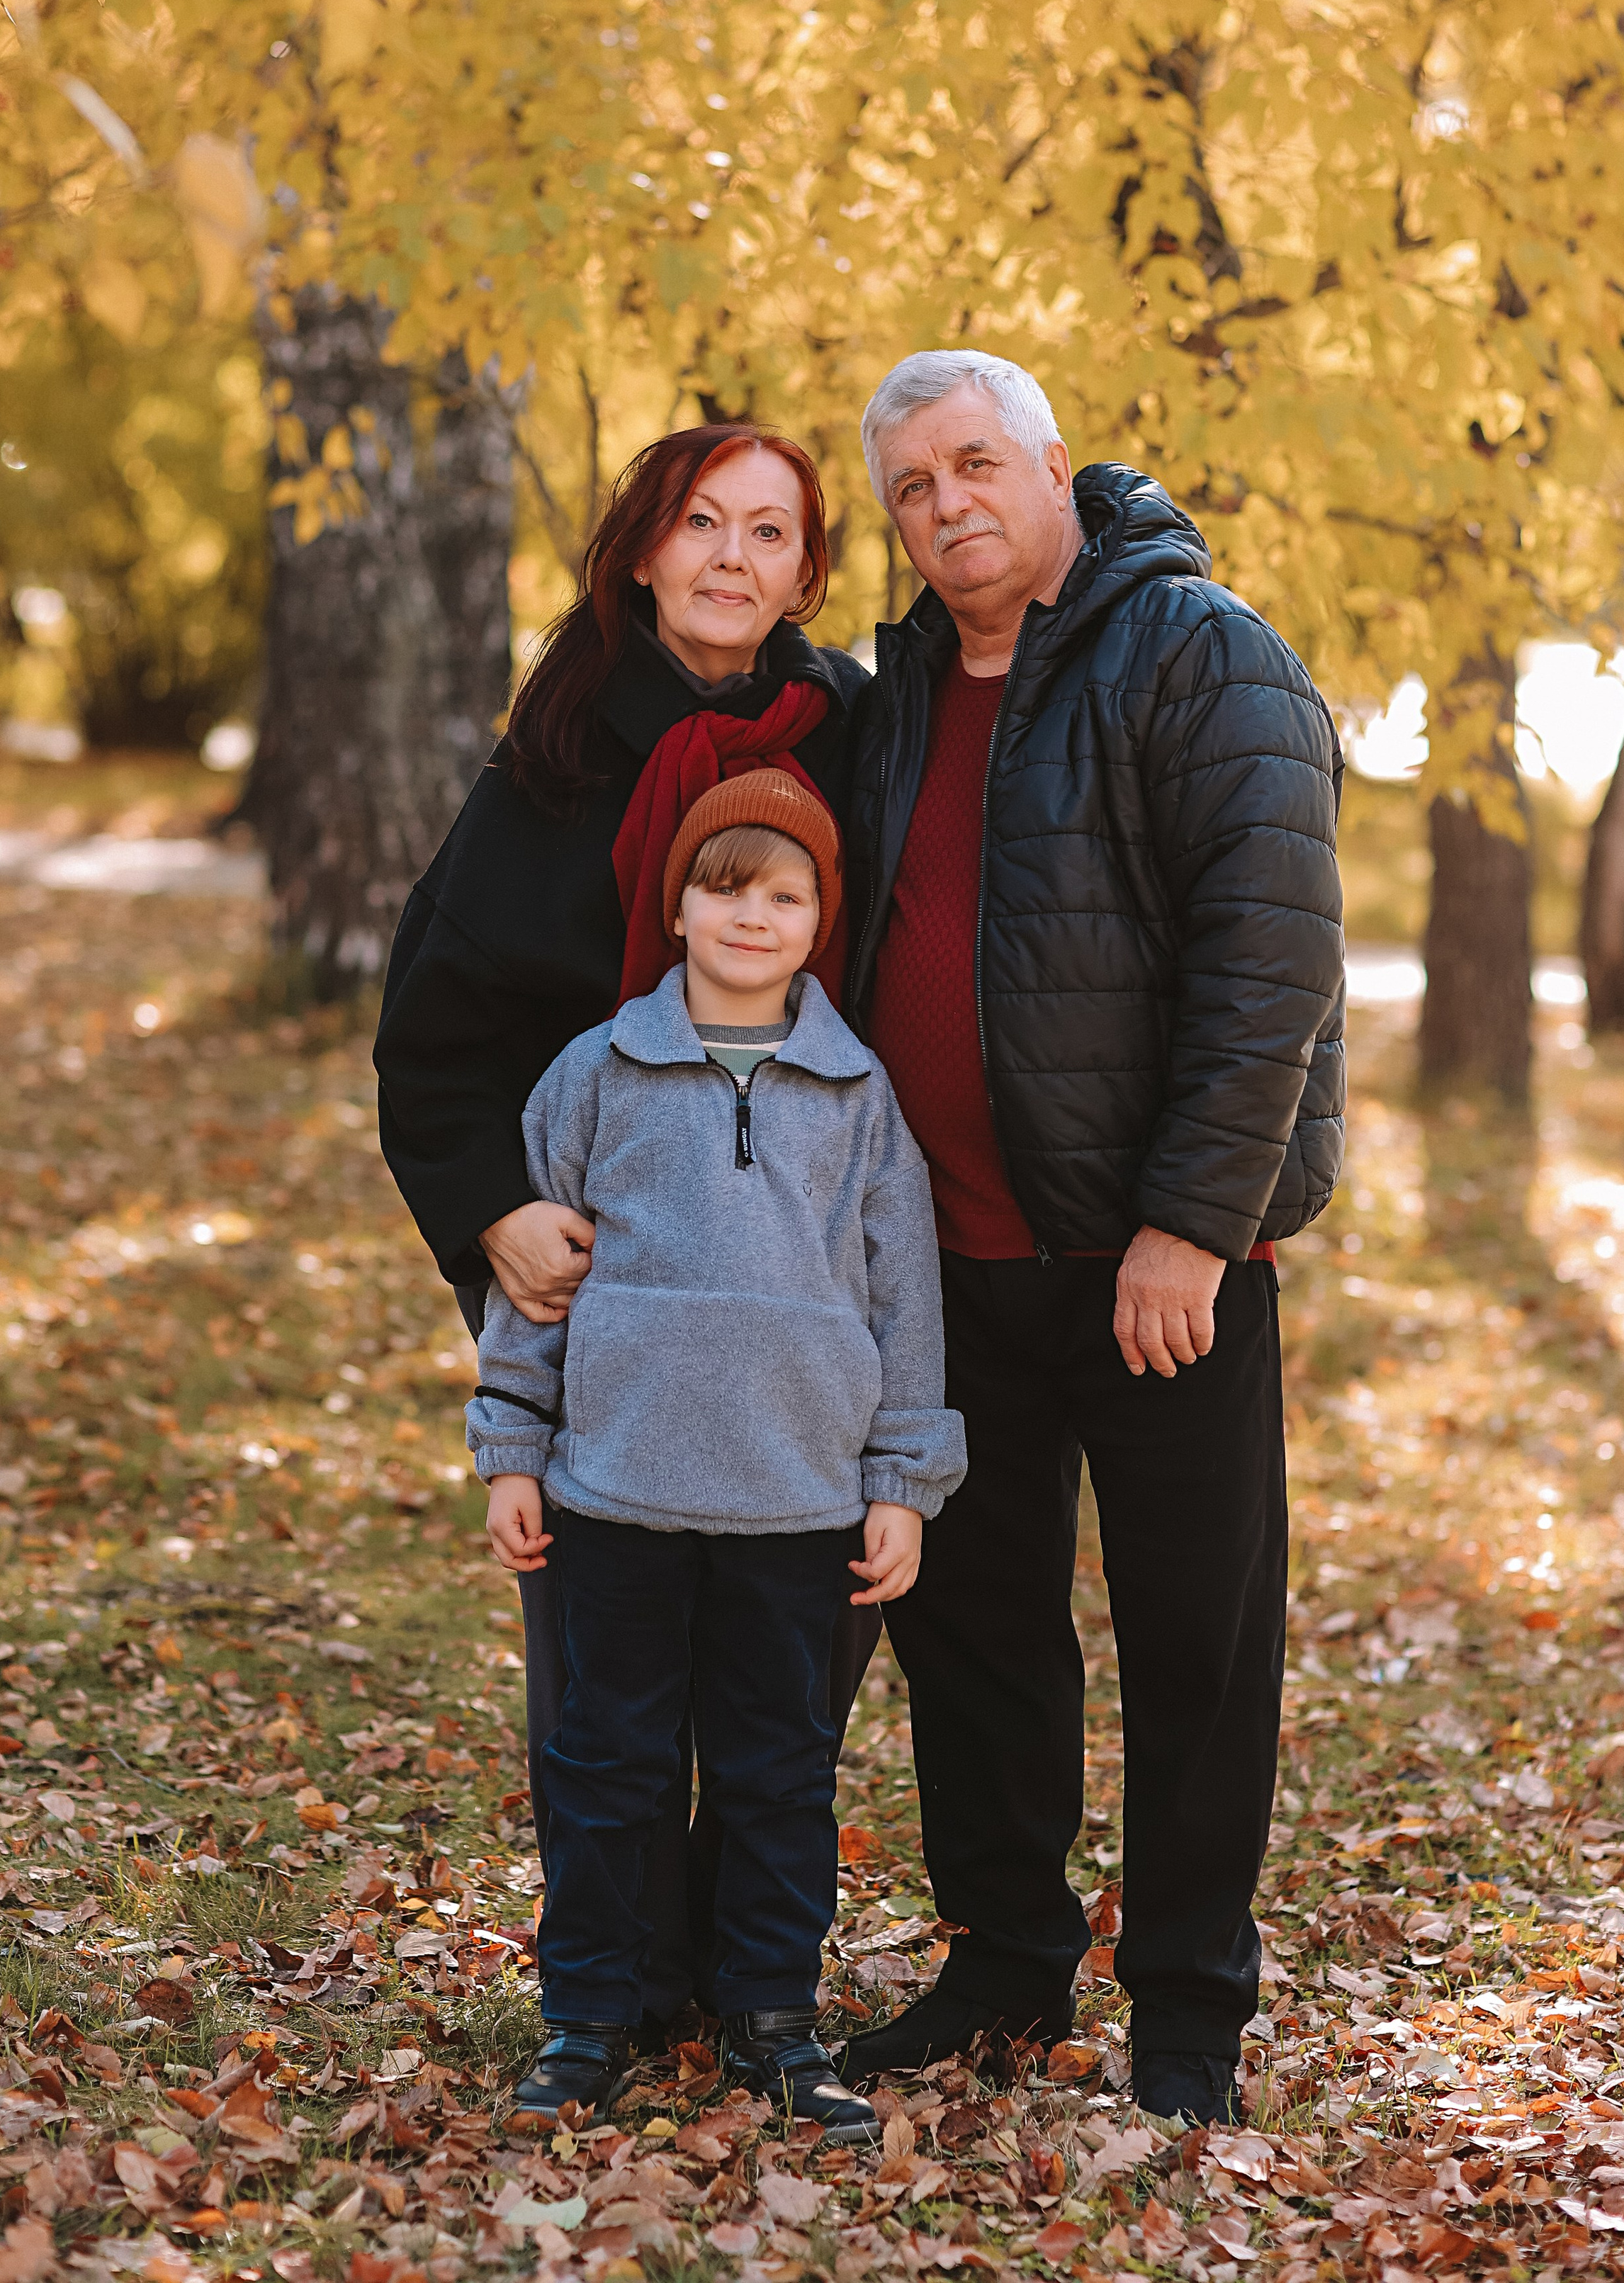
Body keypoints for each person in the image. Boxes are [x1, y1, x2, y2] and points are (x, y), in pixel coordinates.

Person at [834, 349, 1346, 2129]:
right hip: (952, 1270)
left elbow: (1268, 961)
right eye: (910, 488)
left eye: (973, 464)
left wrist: (1187, 1228)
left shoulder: (1197, 648)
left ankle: (1188, 2006)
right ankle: (1000, 1965)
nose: (945, 505)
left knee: (1192, 1643)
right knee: (972, 1636)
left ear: (1053, 463)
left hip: (1160, 1277)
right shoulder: (896, 686)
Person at [373, 423, 879, 2036]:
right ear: (644, 550)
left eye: (768, 533)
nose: (732, 558)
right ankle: (615, 1974)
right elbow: (432, 1031)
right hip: (595, 1265)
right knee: (602, 1657)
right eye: (700, 525)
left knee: (787, 1653)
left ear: (808, 570)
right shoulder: (561, 747)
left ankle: (744, 1965)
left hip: (799, 1275)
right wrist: (493, 1216)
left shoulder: (854, 733)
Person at [468, 770, 965, 2132]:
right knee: (607, 1763)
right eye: (725, 887)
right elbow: (536, 1287)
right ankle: (585, 2014)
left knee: (779, 1775)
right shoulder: (598, 1072)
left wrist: (902, 1483)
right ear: (677, 906)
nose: (753, 916)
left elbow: (903, 1300)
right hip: (616, 1492)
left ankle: (774, 2019)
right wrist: (512, 1444)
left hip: (798, 1505)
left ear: (821, 922)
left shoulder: (859, 1096)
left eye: (786, 894)